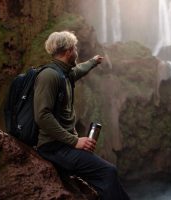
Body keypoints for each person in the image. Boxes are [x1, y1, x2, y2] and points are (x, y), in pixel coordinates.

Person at [34, 31, 130, 200]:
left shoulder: (64, 72)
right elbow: (42, 116)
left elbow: (78, 70)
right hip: (53, 148)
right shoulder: (49, 76)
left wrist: (93, 62)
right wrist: (75, 141)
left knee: (102, 176)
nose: (77, 50)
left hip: (62, 145)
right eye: (75, 47)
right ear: (69, 51)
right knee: (108, 171)